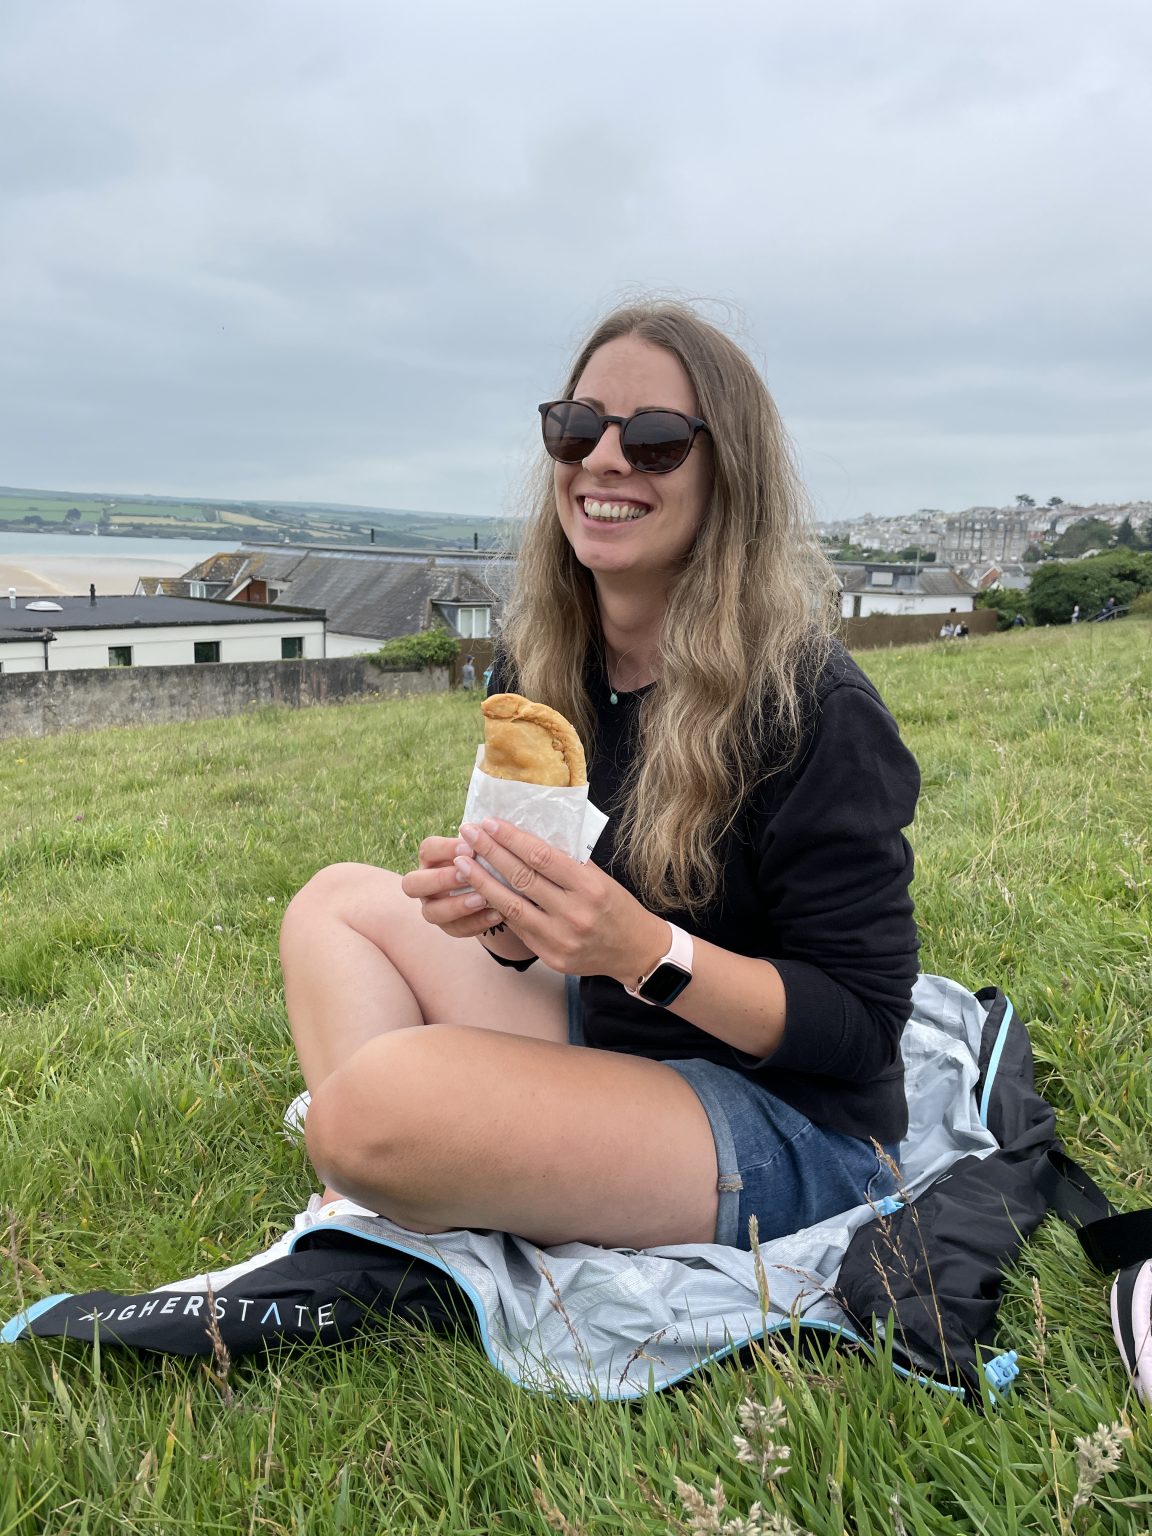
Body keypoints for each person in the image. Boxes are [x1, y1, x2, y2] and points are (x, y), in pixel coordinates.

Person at [228, 302, 921, 1265]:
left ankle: (384, 1178)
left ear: (731, 475)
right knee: (334, 905)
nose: (604, 459)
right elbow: (542, 940)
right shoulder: (548, 665)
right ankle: (388, 1186)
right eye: (577, 426)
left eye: (656, 441)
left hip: (792, 1123)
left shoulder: (813, 706)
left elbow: (862, 1028)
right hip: (616, 1044)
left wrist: (644, 950)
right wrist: (504, 922)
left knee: (374, 1104)